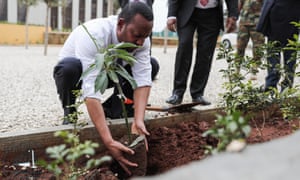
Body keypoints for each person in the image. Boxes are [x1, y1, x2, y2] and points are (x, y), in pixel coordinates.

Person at [53, 2, 158, 174]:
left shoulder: (142, 41)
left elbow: (143, 80)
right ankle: (70, 112)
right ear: (121, 24)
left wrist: (139, 120)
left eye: (145, 37)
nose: (140, 42)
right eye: (136, 35)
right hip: (78, 74)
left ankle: (113, 109)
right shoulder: (95, 34)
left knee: (152, 64)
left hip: (111, 74)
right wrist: (108, 141)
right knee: (68, 67)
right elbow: (91, 89)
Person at [166, 0, 239, 105]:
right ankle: (177, 92)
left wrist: (233, 14)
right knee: (184, 46)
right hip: (187, 11)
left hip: (212, 14)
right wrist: (171, 15)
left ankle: (197, 93)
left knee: (205, 54)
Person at [257, 0, 300, 92]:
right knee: (273, 56)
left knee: (289, 57)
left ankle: (286, 88)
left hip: (291, 18)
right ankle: (271, 87)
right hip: (274, 19)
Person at [236, 0, 265, 80]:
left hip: (257, 23)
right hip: (244, 22)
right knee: (240, 47)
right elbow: (240, 5)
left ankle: (254, 69)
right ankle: (237, 70)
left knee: (258, 48)